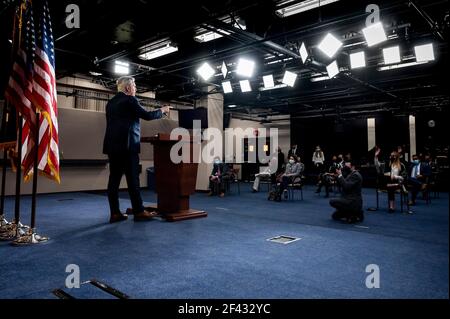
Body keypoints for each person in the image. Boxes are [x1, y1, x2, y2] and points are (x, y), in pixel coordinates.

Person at [103, 76, 170, 223]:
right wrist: (162, 110)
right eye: (134, 86)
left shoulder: (110, 103)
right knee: (133, 180)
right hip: (128, 148)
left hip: (112, 147)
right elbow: (147, 115)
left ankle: (115, 213)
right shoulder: (130, 100)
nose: (136, 88)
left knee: (113, 180)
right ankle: (139, 212)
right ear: (127, 88)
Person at [330, 159, 364, 223]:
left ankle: (356, 213)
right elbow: (343, 184)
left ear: (353, 166)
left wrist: (340, 175)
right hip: (348, 199)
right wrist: (337, 176)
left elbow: (346, 186)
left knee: (332, 201)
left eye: (347, 165)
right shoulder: (351, 174)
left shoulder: (356, 175)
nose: (345, 166)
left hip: (353, 201)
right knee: (335, 216)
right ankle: (350, 213)